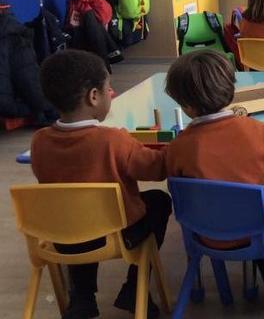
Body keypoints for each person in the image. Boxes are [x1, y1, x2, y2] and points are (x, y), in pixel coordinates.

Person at [30, 49, 170, 319]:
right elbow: (157, 169)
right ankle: (134, 289)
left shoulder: (39, 141)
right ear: (93, 96)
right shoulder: (113, 140)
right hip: (115, 235)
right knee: (159, 201)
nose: (112, 93)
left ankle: (82, 298)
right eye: (109, 88)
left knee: (78, 213)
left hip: (62, 236)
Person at [164, 50, 264, 289]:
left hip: (207, 233)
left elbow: (170, 168)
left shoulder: (178, 147)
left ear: (185, 107)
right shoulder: (254, 131)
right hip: (259, 230)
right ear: (231, 91)